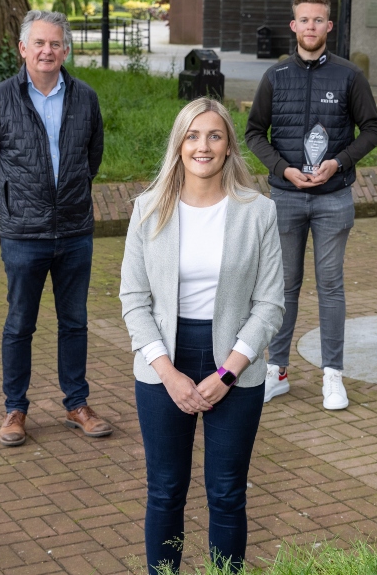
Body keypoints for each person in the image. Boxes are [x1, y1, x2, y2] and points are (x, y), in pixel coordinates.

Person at [121, 97, 284, 573]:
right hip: (163, 363)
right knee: (166, 489)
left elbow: (270, 304)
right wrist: (168, 374)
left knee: (228, 492)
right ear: (178, 144)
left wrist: (229, 372)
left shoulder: (259, 212)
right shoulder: (148, 210)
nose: (203, 145)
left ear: (230, 145)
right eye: (193, 135)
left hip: (235, 361)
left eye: (214, 135)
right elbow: (134, 300)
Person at [0, 10, 111, 446]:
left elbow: (93, 157)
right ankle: (15, 409)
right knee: (19, 324)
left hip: (73, 231)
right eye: (39, 43)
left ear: (65, 49)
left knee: (74, 322)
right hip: (23, 236)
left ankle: (77, 403)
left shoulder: (85, 98)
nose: (47, 51)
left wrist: (65, 198)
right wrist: (12, 203)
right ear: (23, 49)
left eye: (55, 44)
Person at [245, 0, 377, 410]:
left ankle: (332, 376)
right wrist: (282, 169)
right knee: (283, 287)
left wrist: (338, 164)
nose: (310, 26)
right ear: (294, 26)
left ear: (328, 26)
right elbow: (254, 132)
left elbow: (373, 130)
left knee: (331, 286)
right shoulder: (275, 76)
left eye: (318, 20)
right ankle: (278, 371)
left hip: (332, 198)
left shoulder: (348, 76)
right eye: (303, 20)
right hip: (285, 198)